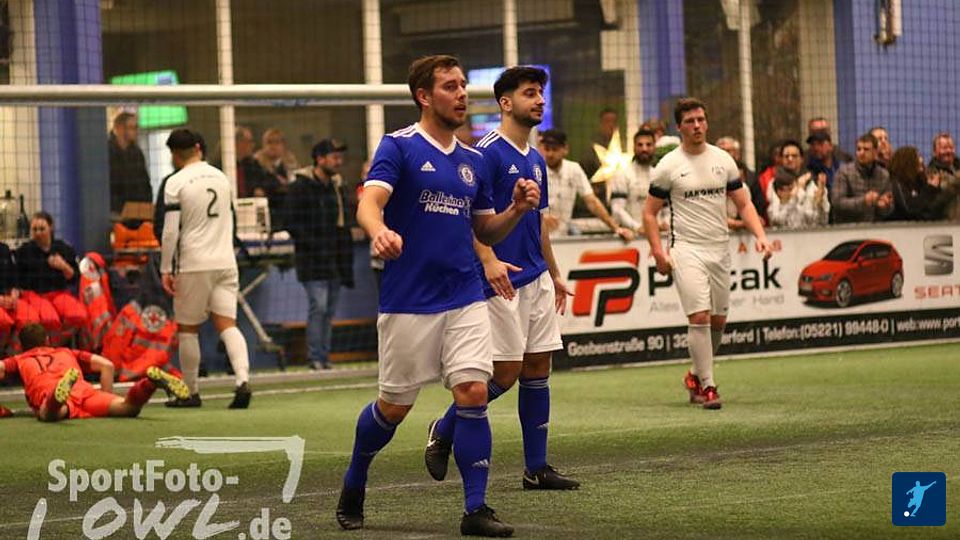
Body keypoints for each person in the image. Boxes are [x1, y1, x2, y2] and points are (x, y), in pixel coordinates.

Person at [337, 54, 541, 537]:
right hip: (409, 301)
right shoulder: (399, 146)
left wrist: (515, 210)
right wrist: (379, 231)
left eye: (464, 85)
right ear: (424, 96)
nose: (462, 93)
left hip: (466, 295)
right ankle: (354, 479)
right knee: (393, 408)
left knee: (474, 391)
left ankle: (476, 509)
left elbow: (485, 232)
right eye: (450, 86)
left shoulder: (474, 161)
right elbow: (369, 203)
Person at [423, 66, 579, 496]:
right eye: (530, 93)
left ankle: (536, 468)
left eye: (541, 93)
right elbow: (470, 219)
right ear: (506, 103)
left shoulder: (536, 159)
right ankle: (443, 428)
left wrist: (554, 273)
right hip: (500, 281)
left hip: (537, 278)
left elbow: (539, 223)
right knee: (505, 374)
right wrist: (489, 260)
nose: (540, 100)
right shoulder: (485, 155)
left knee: (539, 368)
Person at [642, 97, 773, 410]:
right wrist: (658, 252)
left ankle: (695, 374)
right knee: (699, 316)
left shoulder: (723, 160)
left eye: (701, 119)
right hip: (686, 249)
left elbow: (744, 203)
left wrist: (761, 236)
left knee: (718, 321)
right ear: (680, 127)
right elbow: (649, 214)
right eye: (690, 121)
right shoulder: (668, 166)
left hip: (719, 249)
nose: (697, 126)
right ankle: (709, 386)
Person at [159, 128, 252, 409]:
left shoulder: (175, 182)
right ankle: (242, 380)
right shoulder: (222, 177)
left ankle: (190, 392)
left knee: (188, 328)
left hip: (194, 263)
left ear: (174, 154)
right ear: (199, 148)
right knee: (228, 324)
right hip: (225, 261)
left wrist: (165, 268)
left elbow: (170, 232)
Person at [0, 323, 189, 421]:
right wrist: (106, 397)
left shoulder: (19, 359)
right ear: (47, 340)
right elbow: (107, 365)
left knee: (48, 414)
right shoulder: (66, 351)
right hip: (85, 392)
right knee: (127, 408)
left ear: (22, 346)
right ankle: (149, 383)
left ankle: (56, 398)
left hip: (47, 389)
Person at [286, 138, 354, 370]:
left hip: (333, 260)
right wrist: (314, 245)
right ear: (320, 159)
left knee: (329, 310)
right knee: (319, 308)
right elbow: (292, 222)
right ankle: (315, 357)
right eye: (334, 157)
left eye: (340, 157)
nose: (339, 161)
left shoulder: (336, 187)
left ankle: (324, 357)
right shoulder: (300, 187)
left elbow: (342, 223)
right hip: (312, 260)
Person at [537, 128, 634, 240]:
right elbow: (524, 206)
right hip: (535, 238)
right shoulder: (535, 170)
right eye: (547, 149)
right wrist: (539, 218)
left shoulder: (574, 170)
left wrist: (616, 228)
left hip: (562, 239)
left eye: (555, 149)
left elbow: (592, 202)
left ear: (565, 149)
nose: (550, 154)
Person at [15, 212, 87, 344]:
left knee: (79, 315)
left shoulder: (63, 248)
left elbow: (74, 277)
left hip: (59, 293)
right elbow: (16, 279)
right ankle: (46, 346)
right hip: (35, 294)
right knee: (50, 319)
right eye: (35, 229)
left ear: (51, 228)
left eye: (42, 229)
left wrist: (63, 266)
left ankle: (56, 343)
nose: (38, 233)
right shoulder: (24, 251)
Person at [609, 128, 669, 233]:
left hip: (658, 236)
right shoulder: (622, 175)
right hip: (632, 237)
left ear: (654, 147)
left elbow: (667, 210)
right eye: (640, 145)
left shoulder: (659, 176)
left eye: (648, 145)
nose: (644, 149)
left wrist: (666, 222)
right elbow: (617, 210)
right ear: (634, 147)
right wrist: (637, 227)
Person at [830, 133, 894, 224]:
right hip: (847, 227)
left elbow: (889, 208)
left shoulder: (883, 175)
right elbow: (837, 202)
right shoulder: (844, 172)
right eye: (858, 149)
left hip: (875, 227)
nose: (861, 153)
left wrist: (884, 206)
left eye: (866, 149)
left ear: (875, 152)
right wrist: (864, 201)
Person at [886, 146, 952, 221]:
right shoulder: (896, 184)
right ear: (907, 161)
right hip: (900, 226)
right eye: (918, 156)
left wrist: (935, 189)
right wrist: (930, 189)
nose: (921, 160)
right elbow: (910, 209)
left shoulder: (921, 181)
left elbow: (935, 207)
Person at [108, 112, 153, 216]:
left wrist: (146, 204)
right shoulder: (107, 151)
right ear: (119, 128)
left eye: (136, 127)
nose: (136, 131)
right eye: (132, 128)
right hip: (115, 211)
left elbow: (145, 182)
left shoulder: (137, 153)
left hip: (138, 211)